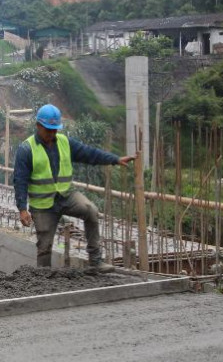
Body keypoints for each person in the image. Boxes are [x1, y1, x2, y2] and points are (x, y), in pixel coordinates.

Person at [13, 104, 135, 270]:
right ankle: (42, 278)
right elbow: (20, 180)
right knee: (44, 246)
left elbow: (89, 153)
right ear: (38, 126)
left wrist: (114, 159)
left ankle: (95, 261)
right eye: (48, 130)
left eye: (55, 130)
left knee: (90, 210)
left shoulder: (64, 142)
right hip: (43, 205)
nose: (52, 133)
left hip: (66, 196)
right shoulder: (26, 149)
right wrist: (22, 208)